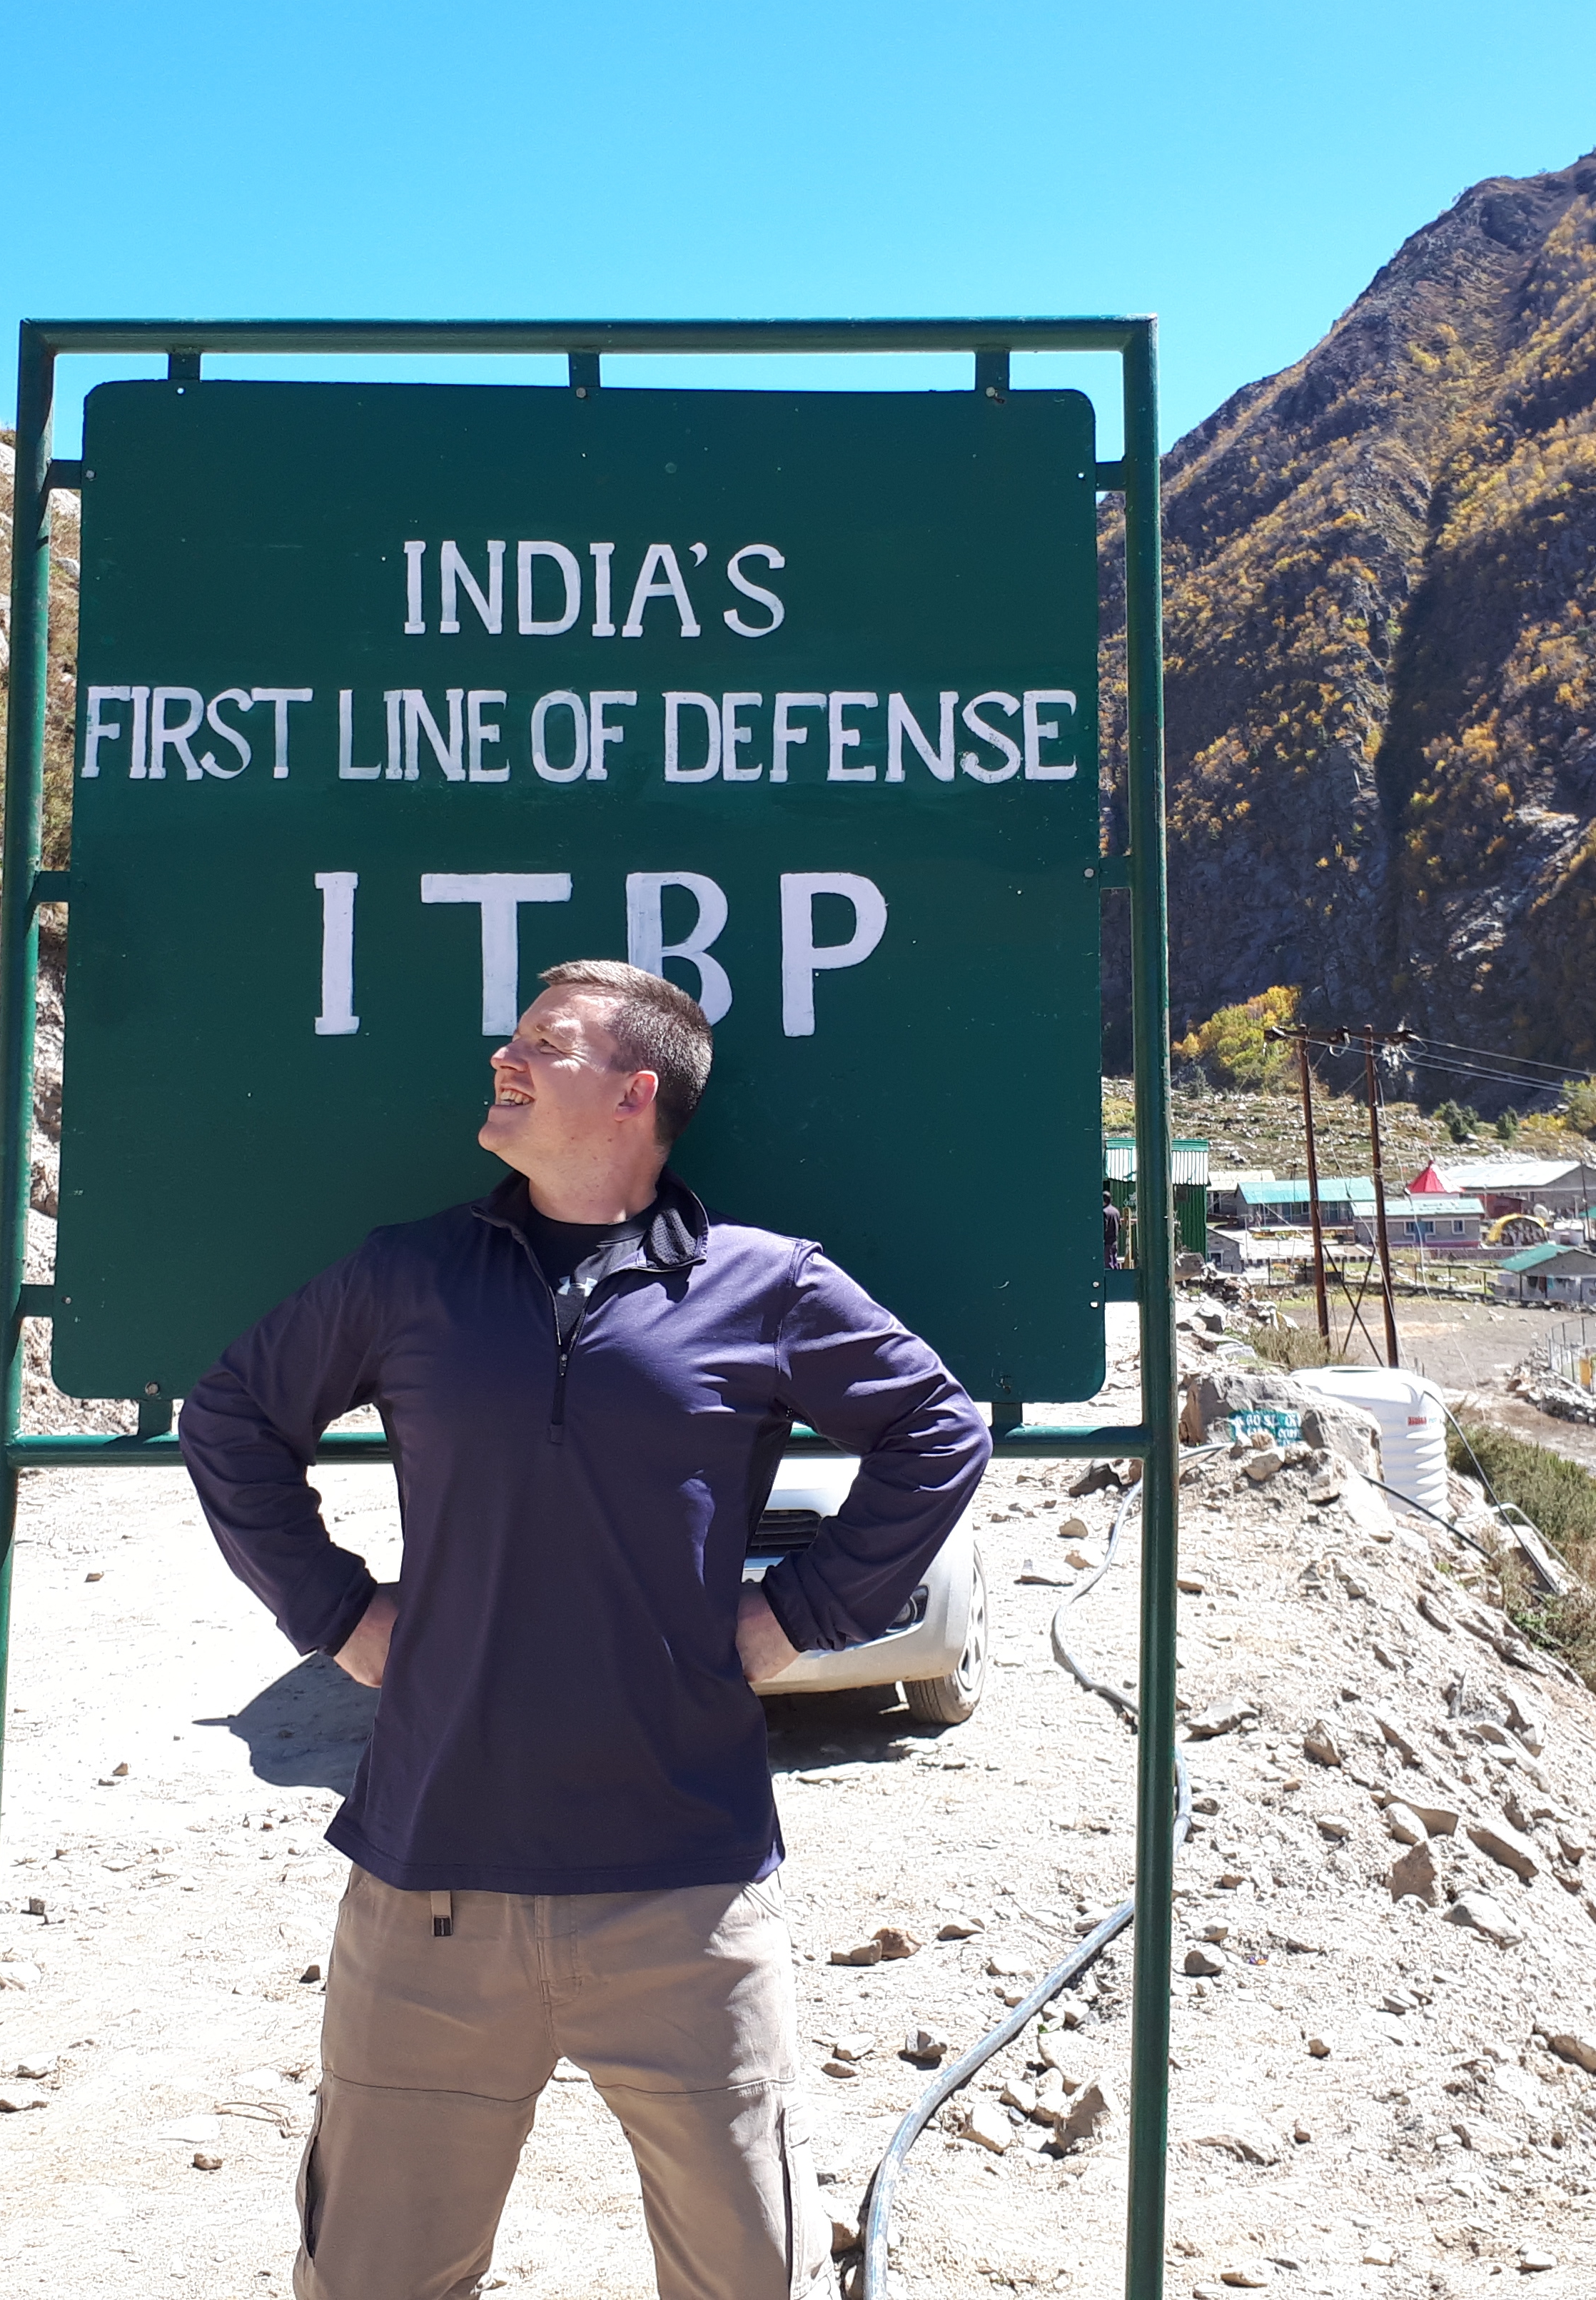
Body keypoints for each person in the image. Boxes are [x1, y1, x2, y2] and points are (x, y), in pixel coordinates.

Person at [176, 958, 989, 2300]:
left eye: (540, 1044)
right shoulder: (410, 1275)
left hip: (685, 1891)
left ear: (634, 1092)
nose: (503, 1062)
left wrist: (802, 1618)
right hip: (432, 1887)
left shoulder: (764, 1285)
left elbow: (937, 1430)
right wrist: (335, 1613)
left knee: (747, 2280)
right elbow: (230, 1422)